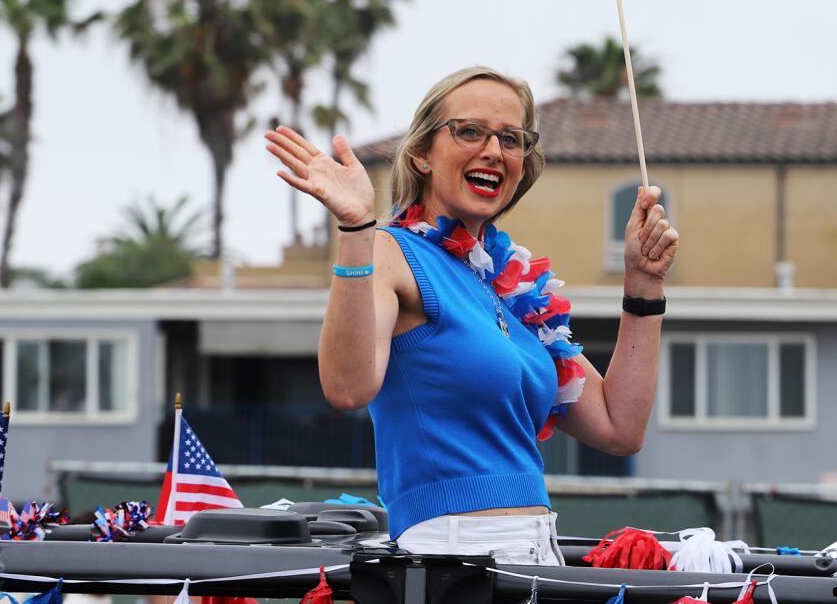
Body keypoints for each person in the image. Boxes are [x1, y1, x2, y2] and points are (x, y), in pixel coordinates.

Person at [264, 66, 678, 565]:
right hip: (453, 558)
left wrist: (643, 285)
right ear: (421, 154)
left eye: (511, 138)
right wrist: (356, 229)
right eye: (469, 131)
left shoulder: (513, 289)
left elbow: (619, 427)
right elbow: (347, 388)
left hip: (535, 554)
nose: (493, 150)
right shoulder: (392, 251)